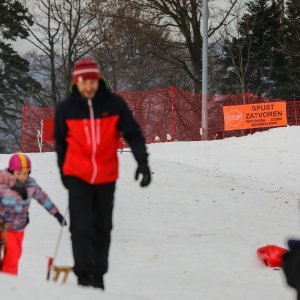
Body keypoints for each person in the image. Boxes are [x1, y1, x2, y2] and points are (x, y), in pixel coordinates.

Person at [54, 58, 151, 289]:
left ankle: (98, 276)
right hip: (77, 175)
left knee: (102, 226)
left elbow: (133, 133)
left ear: (98, 80)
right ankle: (82, 275)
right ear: (76, 83)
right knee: (80, 226)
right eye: (83, 82)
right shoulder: (66, 109)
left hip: (106, 176)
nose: (88, 86)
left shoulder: (114, 104)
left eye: (92, 81)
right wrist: (64, 173)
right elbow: (60, 143)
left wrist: (142, 162)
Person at [0, 153, 66, 275]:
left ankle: (5, 275)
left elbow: (43, 198)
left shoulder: (31, 185)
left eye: (25, 173)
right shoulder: (2, 182)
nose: (22, 176)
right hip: (4, 227)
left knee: (16, 254)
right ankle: (7, 282)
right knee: (13, 256)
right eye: (19, 173)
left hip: (19, 228)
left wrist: (56, 214)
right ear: (11, 171)